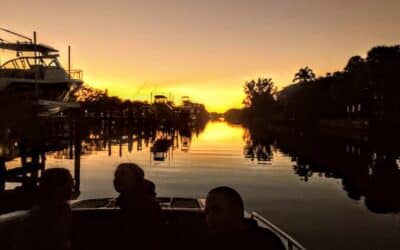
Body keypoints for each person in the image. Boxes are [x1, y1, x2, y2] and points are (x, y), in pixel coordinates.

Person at [205, 186, 285, 250]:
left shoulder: (267, 242)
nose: (209, 217)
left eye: (217, 210)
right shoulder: (213, 238)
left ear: (236, 212)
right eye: (207, 211)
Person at [18, 168, 74, 250]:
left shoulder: (63, 208)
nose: (72, 186)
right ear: (58, 187)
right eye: (70, 182)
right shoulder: (41, 215)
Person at [113, 163, 163, 250]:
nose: (117, 179)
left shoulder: (140, 205)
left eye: (123, 175)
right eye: (117, 175)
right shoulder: (133, 199)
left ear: (136, 180)